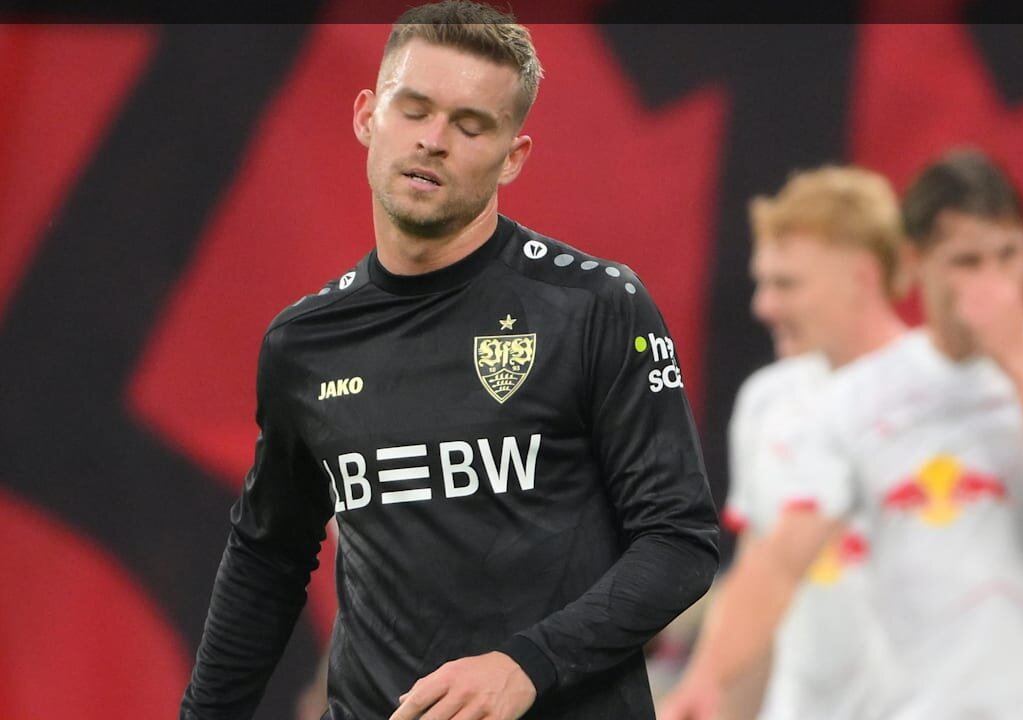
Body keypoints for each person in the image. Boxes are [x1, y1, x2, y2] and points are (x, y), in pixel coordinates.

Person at [179, 4, 719, 719]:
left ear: (512, 157)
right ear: (368, 115)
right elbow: (267, 559)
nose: (433, 141)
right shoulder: (304, 342)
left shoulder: (593, 306)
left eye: (470, 126)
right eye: (415, 110)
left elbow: (680, 543)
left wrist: (527, 666)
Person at [660, 148, 1023, 720]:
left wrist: (1018, 361)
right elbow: (777, 562)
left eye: (1008, 255)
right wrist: (705, 681)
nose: (993, 283)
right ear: (916, 261)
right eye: (967, 262)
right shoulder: (857, 399)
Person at [662, 165, 909, 720]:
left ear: (862, 277)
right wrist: (709, 698)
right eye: (763, 283)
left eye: (787, 284)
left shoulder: (946, 396)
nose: (764, 306)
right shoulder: (769, 400)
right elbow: (761, 582)